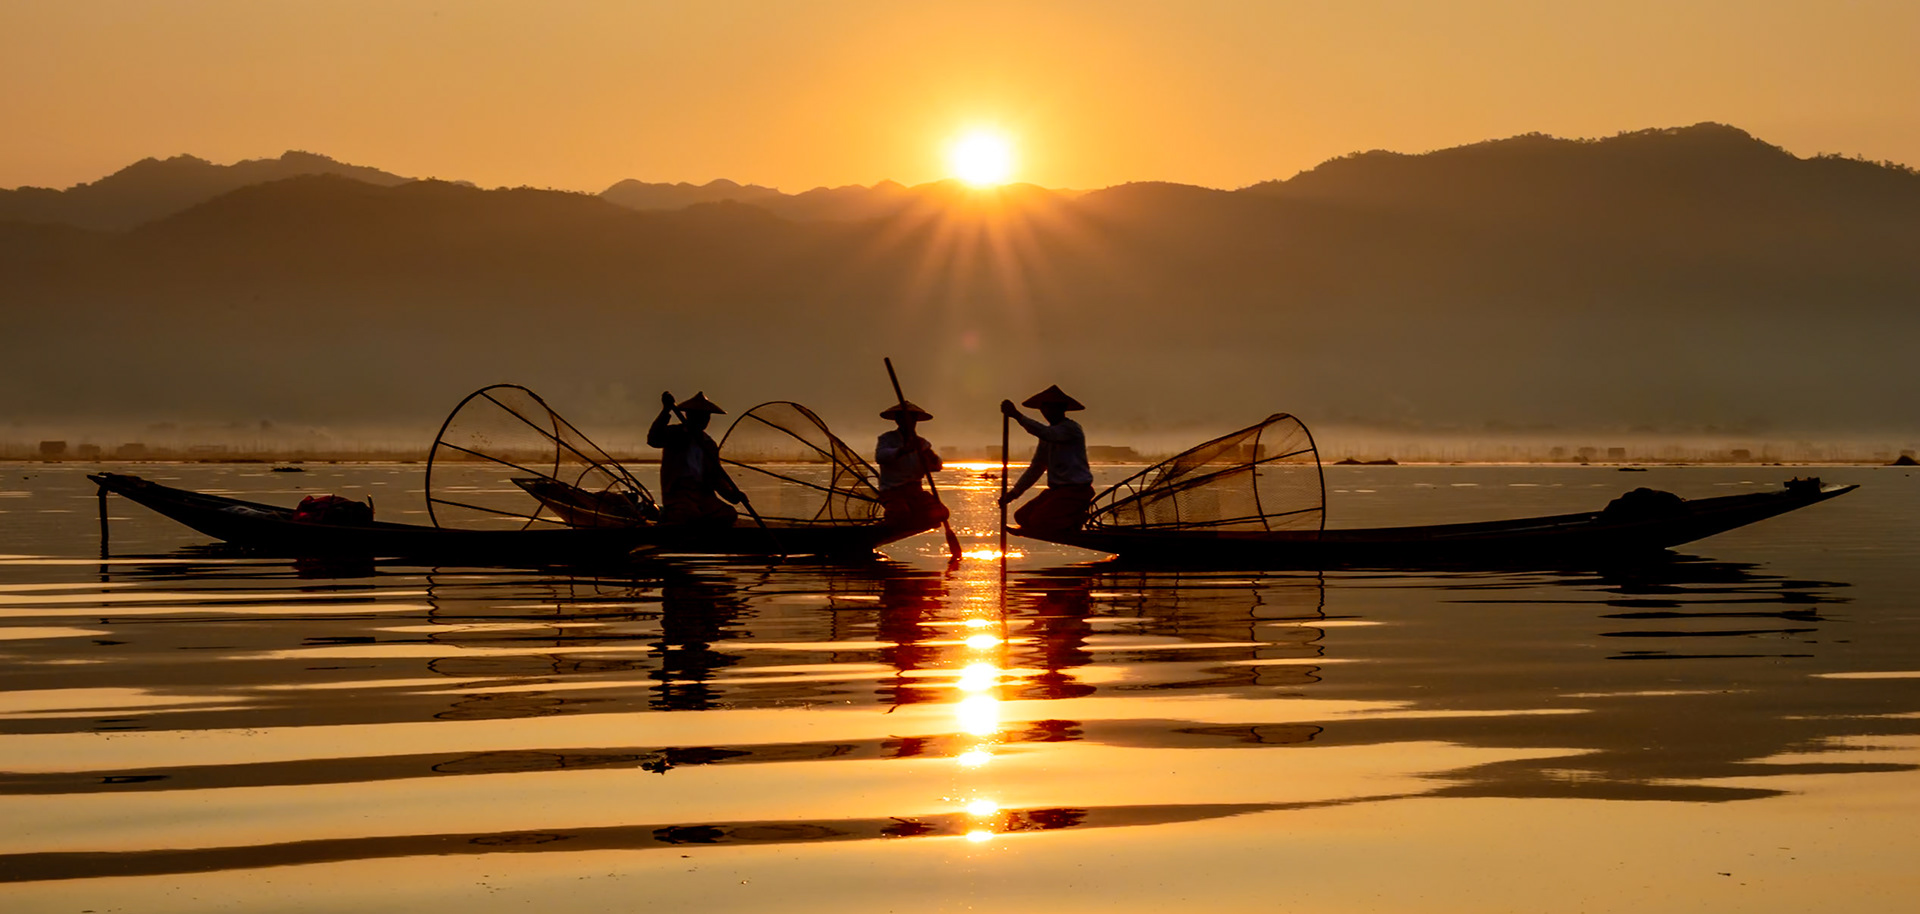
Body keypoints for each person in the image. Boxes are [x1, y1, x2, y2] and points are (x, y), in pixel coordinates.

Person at [1000, 384, 1093, 534]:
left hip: (1076, 491)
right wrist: (1013, 493)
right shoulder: (1046, 436)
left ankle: (1076, 519)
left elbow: (1047, 433)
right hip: (1056, 491)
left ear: (1061, 409)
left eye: (1051, 407)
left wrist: (1017, 415)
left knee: (1039, 521)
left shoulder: (1071, 429)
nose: (1047, 412)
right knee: (1022, 517)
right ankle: (1067, 520)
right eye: (1045, 408)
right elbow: (1036, 468)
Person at [647, 390, 745, 527]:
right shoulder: (675, 434)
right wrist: (666, 410)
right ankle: (673, 519)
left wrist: (733, 495)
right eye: (699, 416)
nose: (703, 421)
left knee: (728, 514)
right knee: (688, 515)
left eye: (706, 417)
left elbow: (716, 477)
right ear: (689, 416)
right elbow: (653, 439)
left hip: (703, 494)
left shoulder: (708, 444)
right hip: (679, 494)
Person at [874, 399, 950, 531]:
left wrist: (930, 457)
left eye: (911, 420)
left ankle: (913, 517)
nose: (908, 423)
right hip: (893, 493)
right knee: (901, 513)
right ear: (898, 420)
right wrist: (903, 450)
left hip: (915, 492)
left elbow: (937, 465)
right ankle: (895, 519)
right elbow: (881, 457)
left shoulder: (922, 443)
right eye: (904, 419)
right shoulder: (887, 439)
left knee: (941, 513)